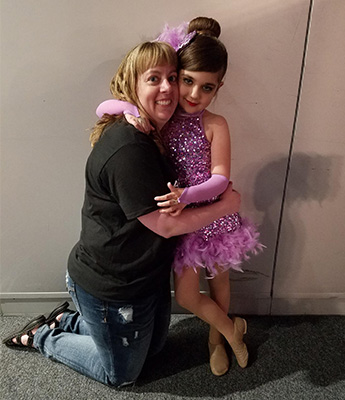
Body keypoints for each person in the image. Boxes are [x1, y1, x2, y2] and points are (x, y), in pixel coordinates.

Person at [2, 41, 241, 387]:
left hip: (144, 276)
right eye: (154, 79)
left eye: (172, 78)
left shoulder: (154, 126)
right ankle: (42, 336)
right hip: (114, 285)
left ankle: (65, 321)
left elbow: (111, 106)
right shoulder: (129, 148)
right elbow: (167, 224)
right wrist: (226, 206)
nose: (169, 89)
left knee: (156, 350)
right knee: (122, 375)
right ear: (133, 84)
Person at [96, 17, 264, 376]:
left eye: (206, 88)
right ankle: (233, 330)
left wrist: (187, 194)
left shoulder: (216, 124)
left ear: (218, 88)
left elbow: (221, 179)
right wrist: (128, 111)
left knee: (220, 284)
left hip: (216, 215)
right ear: (177, 77)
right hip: (184, 222)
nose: (193, 95)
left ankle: (216, 341)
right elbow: (103, 109)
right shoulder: (165, 115)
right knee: (188, 295)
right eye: (187, 81)